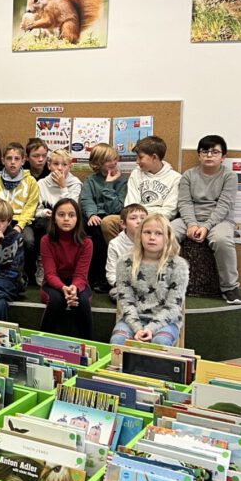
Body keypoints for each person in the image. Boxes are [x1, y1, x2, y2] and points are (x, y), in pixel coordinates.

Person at [171, 135, 241, 304]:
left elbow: (224, 205)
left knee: (222, 240)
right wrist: (192, 224)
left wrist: (207, 226)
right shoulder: (188, 175)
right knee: (166, 234)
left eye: (215, 152)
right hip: (190, 217)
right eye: (205, 151)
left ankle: (230, 287)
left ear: (223, 157)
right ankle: (163, 282)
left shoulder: (229, 176)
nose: (209, 155)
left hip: (220, 220)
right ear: (199, 155)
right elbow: (185, 202)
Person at [111, 213, 189, 346]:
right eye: (147, 232)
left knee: (160, 342)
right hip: (132, 320)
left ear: (168, 237)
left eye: (158, 233)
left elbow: (173, 306)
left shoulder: (179, 265)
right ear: (140, 235)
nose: (152, 237)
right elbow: (125, 301)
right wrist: (138, 328)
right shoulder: (124, 262)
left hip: (166, 321)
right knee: (118, 340)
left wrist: (150, 328)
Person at [39, 199, 94, 339]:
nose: (66, 219)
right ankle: (42, 343)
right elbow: (50, 274)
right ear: (54, 218)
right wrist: (64, 288)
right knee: (56, 300)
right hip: (53, 284)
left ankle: (88, 346)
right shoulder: (46, 240)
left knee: (80, 301)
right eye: (61, 214)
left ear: (78, 218)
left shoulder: (86, 243)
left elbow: (81, 275)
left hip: (78, 283)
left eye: (71, 215)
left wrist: (74, 287)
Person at [0, 142, 40, 285]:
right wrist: (1, 224)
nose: (12, 162)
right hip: (0, 220)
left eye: (17, 159)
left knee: (28, 241)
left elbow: (31, 207)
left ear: (23, 160)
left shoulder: (31, 182)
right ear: (3, 160)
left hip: (21, 221)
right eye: (9, 158)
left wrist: (20, 225)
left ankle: (25, 273)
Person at [80, 143, 127, 290]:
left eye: (115, 159)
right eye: (108, 161)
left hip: (112, 217)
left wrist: (108, 185)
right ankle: (95, 277)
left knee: (102, 230)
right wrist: (92, 214)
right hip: (95, 216)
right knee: (92, 229)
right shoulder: (91, 180)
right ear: (98, 164)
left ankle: (106, 277)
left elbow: (117, 207)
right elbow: (86, 199)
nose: (113, 163)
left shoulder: (122, 181)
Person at [117, 135, 180, 239]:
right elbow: (130, 205)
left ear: (154, 157)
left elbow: (170, 211)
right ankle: (122, 253)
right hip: (134, 218)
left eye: (140, 157)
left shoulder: (175, 178)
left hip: (159, 220)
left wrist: (144, 217)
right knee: (109, 222)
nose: (137, 161)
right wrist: (138, 218)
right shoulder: (136, 173)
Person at [34, 148, 82, 283]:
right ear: (49, 165)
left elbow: (73, 209)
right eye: (56, 164)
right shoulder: (41, 184)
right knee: (41, 224)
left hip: (68, 220)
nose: (60, 168)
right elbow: (36, 210)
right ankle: (42, 263)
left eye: (64, 164)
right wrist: (44, 212)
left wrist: (63, 187)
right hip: (48, 221)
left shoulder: (75, 183)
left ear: (70, 166)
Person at [105, 203, 147, 294]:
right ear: (123, 224)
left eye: (143, 218)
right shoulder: (115, 244)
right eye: (133, 218)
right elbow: (111, 273)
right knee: (114, 293)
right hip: (125, 286)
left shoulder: (152, 240)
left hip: (148, 285)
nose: (139, 221)